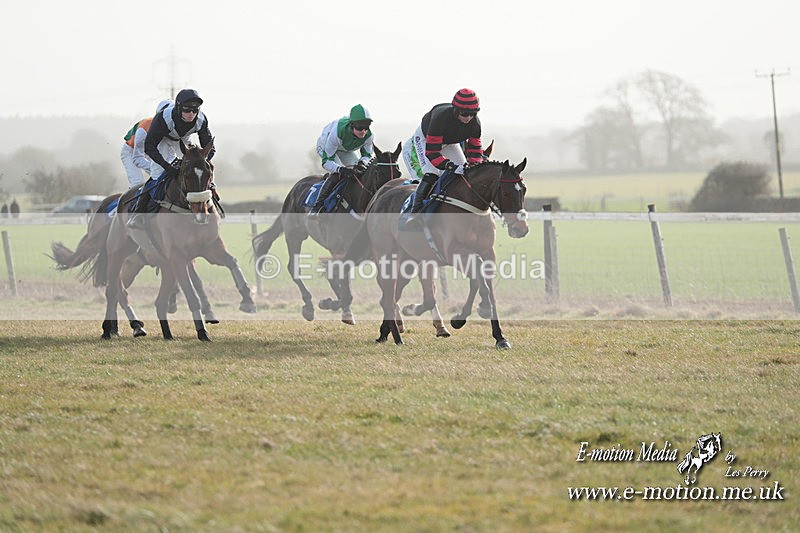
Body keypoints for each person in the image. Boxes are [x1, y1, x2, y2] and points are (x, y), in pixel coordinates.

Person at [128, 89, 215, 229]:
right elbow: (149, 147)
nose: (191, 114)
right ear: (179, 108)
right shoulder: (163, 119)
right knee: (158, 173)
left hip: (182, 139)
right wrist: (168, 168)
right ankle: (138, 213)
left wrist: (201, 162)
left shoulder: (201, 119)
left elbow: (211, 148)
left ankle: (211, 196)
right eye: (187, 110)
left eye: (194, 110)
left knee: (199, 170)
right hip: (162, 138)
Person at [403, 88, 484, 222]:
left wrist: (475, 165)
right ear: (456, 110)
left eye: (472, 114)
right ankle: (415, 213)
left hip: (450, 142)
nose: (468, 118)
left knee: (465, 173)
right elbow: (432, 153)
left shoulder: (475, 124)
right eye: (464, 114)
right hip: (425, 140)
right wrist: (450, 166)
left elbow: (475, 150)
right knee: (432, 173)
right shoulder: (440, 118)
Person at [308, 104, 374, 216]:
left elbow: (367, 155)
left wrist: (362, 163)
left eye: (366, 126)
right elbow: (326, 162)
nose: (363, 131)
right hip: (326, 146)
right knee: (337, 174)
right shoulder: (336, 134)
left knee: (359, 173)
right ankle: (317, 206)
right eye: (359, 127)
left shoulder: (369, 136)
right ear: (352, 125)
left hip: (345, 149)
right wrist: (341, 169)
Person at [120, 99, 172, 188]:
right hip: (131, 152)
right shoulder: (144, 129)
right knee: (138, 183)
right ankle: (134, 200)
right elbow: (137, 158)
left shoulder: (173, 128)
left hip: (150, 150)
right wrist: (158, 167)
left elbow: (171, 154)